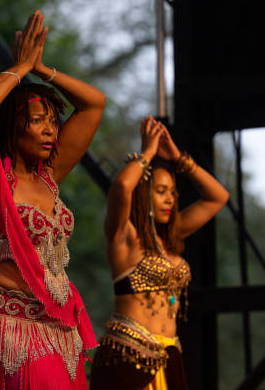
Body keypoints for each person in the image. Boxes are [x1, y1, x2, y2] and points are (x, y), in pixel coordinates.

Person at [0, 10, 106, 390]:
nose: (51, 129)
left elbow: (94, 104)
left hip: (61, 333)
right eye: (38, 120)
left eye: (53, 120)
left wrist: (42, 69)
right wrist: (18, 69)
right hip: (9, 332)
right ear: (15, 126)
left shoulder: (50, 176)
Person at [90, 117, 229, 389]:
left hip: (170, 357)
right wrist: (148, 153)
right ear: (143, 195)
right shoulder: (124, 236)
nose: (171, 199)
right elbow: (121, 187)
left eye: (174, 193)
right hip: (128, 356)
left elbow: (217, 197)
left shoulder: (171, 238)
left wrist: (179, 159)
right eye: (161, 191)